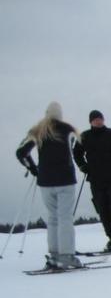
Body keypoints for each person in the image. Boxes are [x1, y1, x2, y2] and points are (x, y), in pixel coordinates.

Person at [15, 101, 82, 269]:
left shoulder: (37, 131)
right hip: (66, 179)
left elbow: (21, 152)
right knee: (65, 217)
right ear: (60, 114)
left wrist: (33, 168)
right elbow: (77, 146)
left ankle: (54, 255)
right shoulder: (68, 130)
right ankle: (67, 255)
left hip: (45, 181)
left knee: (52, 218)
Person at [72, 110, 111, 252]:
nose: (98, 121)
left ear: (103, 119)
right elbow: (76, 153)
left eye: (100, 118)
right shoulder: (84, 136)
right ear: (91, 122)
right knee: (103, 209)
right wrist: (83, 166)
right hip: (95, 179)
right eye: (95, 119)